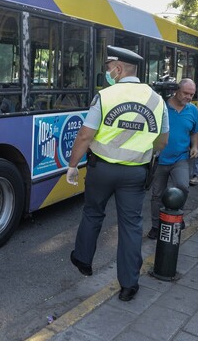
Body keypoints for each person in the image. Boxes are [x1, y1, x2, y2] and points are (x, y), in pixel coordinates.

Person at [65, 46, 168, 302]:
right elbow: (163, 140)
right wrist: (143, 152)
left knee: (92, 212)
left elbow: (85, 135)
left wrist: (72, 165)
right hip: (135, 173)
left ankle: (83, 260)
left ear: (119, 69)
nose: (108, 72)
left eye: (109, 68)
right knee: (131, 226)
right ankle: (129, 285)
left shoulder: (105, 96)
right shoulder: (157, 100)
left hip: (102, 169)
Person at [147, 79, 198, 239]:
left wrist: (195, 146)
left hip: (181, 157)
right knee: (157, 194)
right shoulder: (161, 106)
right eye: (185, 93)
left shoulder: (193, 110)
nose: (189, 97)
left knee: (183, 187)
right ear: (177, 90)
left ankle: (177, 215)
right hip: (160, 159)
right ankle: (156, 226)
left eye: (192, 94)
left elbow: (195, 131)